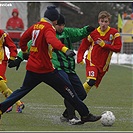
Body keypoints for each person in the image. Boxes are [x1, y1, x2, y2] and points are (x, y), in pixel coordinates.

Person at [0, 6, 101, 124]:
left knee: (22, 91)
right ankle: (85, 114)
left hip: (32, 68)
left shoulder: (36, 26)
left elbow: (23, 39)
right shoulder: (48, 28)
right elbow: (52, 40)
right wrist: (64, 49)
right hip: (46, 70)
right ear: (54, 19)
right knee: (69, 90)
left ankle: (1, 109)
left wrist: (25, 52)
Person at [77, 11, 122, 94]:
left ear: (109, 22)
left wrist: (104, 45)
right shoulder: (93, 33)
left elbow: (118, 48)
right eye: (102, 21)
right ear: (99, 21)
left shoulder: (114, 33)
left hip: (103, 65)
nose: (103, 24)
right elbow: (83, 46)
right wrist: (80, 57)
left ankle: (76, 101)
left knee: (92, 84)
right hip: (92, 61)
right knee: (91, 81)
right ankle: (74, 99)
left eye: (106, 22)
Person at [0, 29, 25, 113]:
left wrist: (12, 57)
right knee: (1, 86)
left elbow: (11, 45)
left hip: (0, 62)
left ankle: (12, 103)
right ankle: (16, 103)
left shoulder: (2, 34)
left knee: (0, 82)